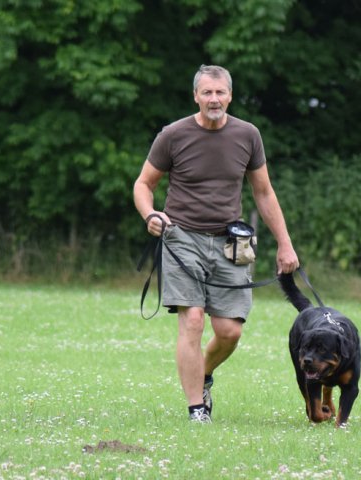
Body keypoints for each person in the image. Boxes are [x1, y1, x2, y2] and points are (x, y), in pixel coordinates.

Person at [133, 64, 299, 423]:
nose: (213, 99)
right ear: (196, 96)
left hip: (230, 242)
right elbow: (143, 184)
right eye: (206, 92)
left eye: (220, 92)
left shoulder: (248, 135)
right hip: (182, 238)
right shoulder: (173, 135)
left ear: (230, 96)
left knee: (229, 331)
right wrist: (151, 215)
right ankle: (197, 410)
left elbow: (264, 192)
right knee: (192, 320)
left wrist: (285, 244)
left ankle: (202, 374)